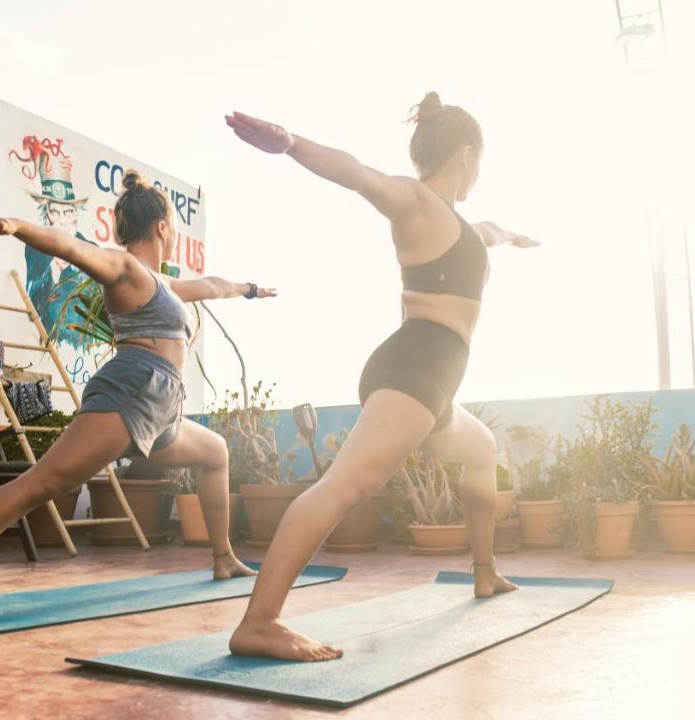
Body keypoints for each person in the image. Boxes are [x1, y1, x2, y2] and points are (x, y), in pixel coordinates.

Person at [224, 93, 539, 661]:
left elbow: (488, 231)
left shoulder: (460, 224)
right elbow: (355, 173)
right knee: (344, 487)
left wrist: (514, 236)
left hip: (434, 381)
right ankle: (260, 621)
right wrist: (291, 143)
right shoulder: (415, 201)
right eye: (480, 161)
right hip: (415, 366)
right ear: (467, 154)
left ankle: (485, 573)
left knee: (481, 450)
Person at [0, 171, 276, 617]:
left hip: (163, 407)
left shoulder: (161, 284)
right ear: (162, 227)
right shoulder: (125, 268)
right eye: (173, 227)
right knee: (40, 484)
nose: (174, 235)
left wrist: (249, 290)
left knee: (215, 452)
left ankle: (223, 559)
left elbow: (212, 286)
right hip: (132, 393)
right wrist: (15, 227)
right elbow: (72, 248)